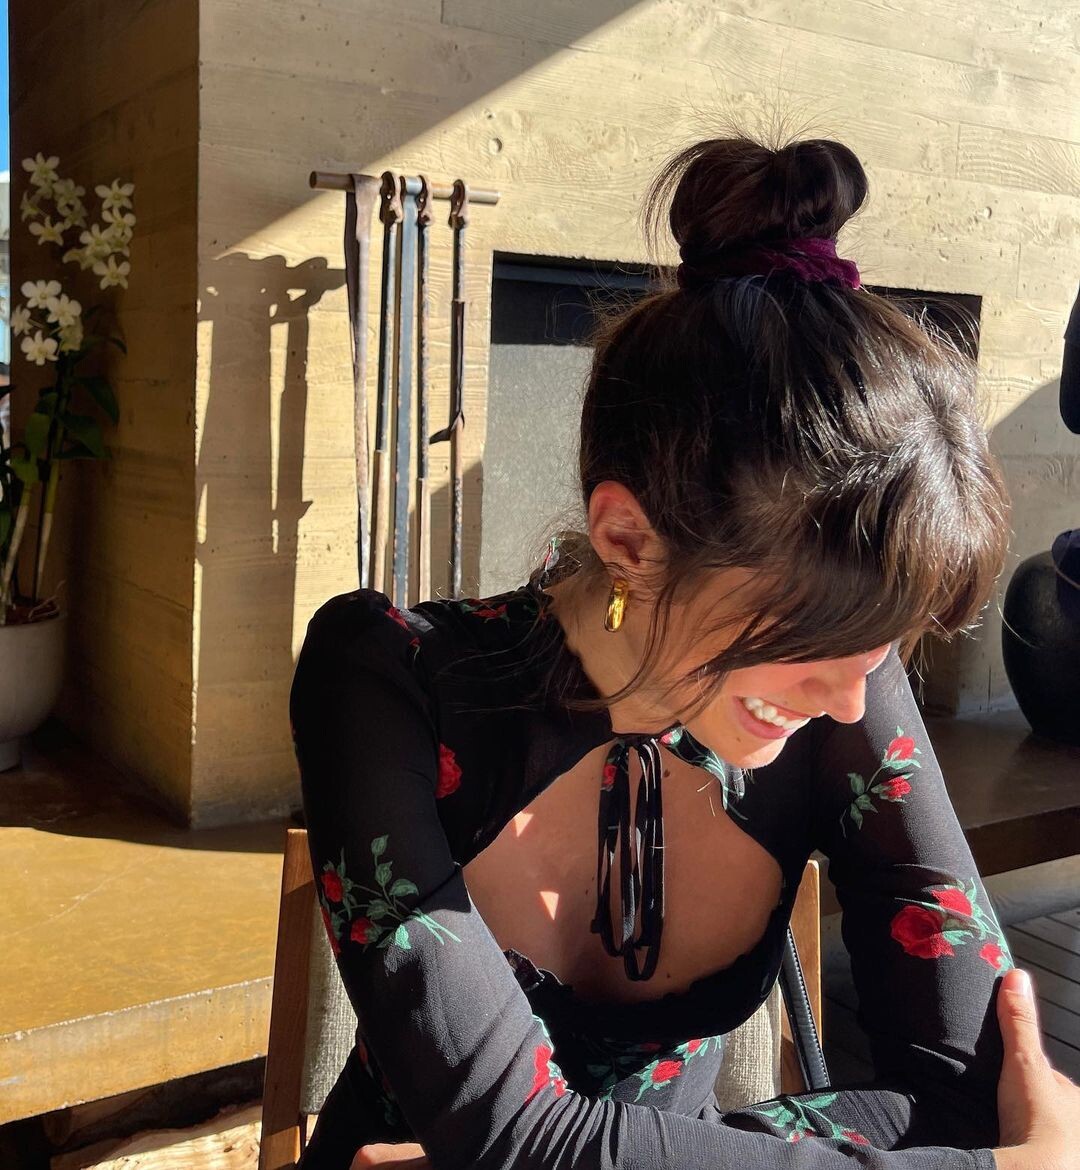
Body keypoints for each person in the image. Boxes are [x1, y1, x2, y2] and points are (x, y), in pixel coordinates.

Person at [288, 136, 1080, 1170]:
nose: (851, 700)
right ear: (628, 539)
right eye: (812, 636)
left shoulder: (843, 674)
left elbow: (967, 1099)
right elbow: (511, 1140)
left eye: (885, 641)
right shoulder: (381, 680)